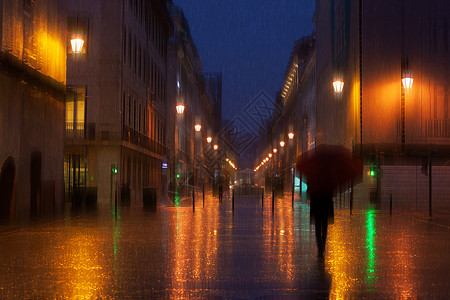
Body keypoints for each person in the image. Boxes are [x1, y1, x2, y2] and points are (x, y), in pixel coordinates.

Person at [309, 187, 334, 259]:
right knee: (324, 227)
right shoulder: (328, 181)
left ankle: (320, 248)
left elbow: (309, 191)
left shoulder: (315, 181)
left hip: (317, 205)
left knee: (318, 227)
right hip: (326, 206)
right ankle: (322, 246)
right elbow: (332, 193)